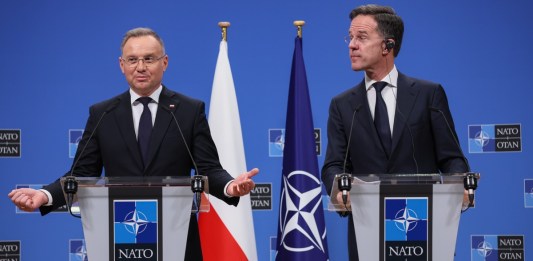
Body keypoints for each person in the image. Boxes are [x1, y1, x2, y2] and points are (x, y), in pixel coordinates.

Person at [8, 27, 259, 260]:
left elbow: (208, 169)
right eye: (132, 59)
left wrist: (229, 186)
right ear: (121, 65)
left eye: (149, 58)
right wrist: (43, 195)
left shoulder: (188, 111)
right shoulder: (102, 114)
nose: (140, 67)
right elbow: (81, 174)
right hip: (117, 238)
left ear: (165, 63)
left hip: (177, 238)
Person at [320, 5, 469, 261]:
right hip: (367, 231)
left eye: (362, 37)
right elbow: (334, 165)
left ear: (387, 45)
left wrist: (459, 184)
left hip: (421, 228)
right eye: (350, 37)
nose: (352, 45)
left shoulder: (427, 95)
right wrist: (338, 189)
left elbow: (451, 157)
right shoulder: (343, 105)